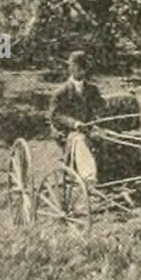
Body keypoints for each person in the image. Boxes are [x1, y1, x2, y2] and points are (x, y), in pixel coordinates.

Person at [50, 50, 106, 184]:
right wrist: (75, 124)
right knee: (79, 139)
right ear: (70, 68)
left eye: (83, 68)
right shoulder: (61, 92)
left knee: (111, 138)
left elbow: (101, 107)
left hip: (90, 128)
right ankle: (89, 177)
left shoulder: (92, 90)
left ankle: (112, 175)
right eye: (77, 68)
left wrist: (97, 120)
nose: (80, 71)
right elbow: (56, 115)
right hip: (67, 132)